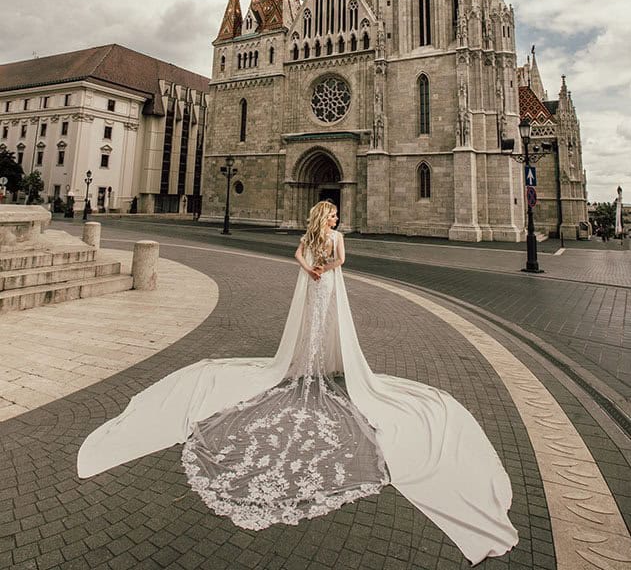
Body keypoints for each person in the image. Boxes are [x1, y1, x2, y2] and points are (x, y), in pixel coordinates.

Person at [77, 200, 518, 564]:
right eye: (331, 216)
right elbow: (315, 258)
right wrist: (318, 268)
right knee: (315, 329)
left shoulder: (326, 240)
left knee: (322, 329)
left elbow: (325, 258)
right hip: (320, 283)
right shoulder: (317, 240)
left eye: (335, 217)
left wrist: (319, 267)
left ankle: (315, 363)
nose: (335, 220)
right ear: (323, 218)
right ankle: (311, 364)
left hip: (322, 283)